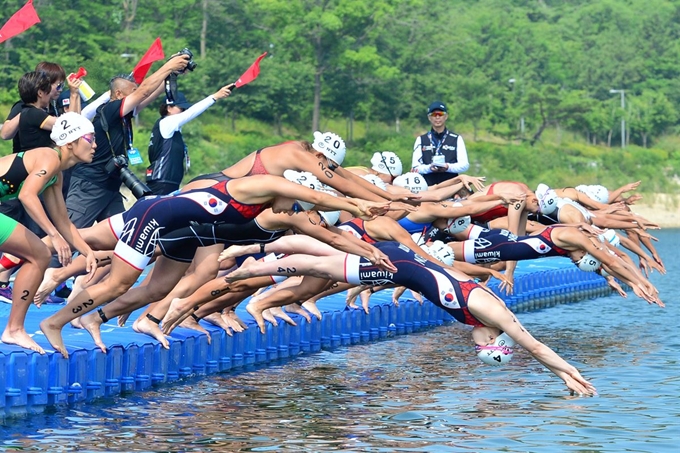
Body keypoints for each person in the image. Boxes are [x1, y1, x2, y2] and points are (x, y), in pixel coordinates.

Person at [39, 172, 393, 358]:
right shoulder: (263, 186)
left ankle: (91, 317)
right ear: (293, 190)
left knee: (158, 289)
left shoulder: (290, 213)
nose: (292, 211)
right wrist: (360, 205)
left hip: (186, 235)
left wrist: (369, 252)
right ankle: (55, 321)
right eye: (295, 203)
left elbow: (331, 236)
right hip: (157, 216)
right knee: (116, 280)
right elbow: (316, 196)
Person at [223, 240, 597, 395]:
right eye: (481, 348)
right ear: (491, 341)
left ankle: (257, 253)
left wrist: (565, 378)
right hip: (399, 264)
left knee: (322, 253)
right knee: (322, 266)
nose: (475, 345)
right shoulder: (491, 313)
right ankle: (251, 266)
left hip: (402, 264)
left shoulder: (481, 316)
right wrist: (573, 375)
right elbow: (535, 346)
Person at [0, 112, 98, 353]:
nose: (95, 145)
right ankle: (13, 329)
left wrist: (87, 252)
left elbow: (63, 221)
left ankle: (14, 328)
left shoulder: (56, 174)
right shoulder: (48, 157)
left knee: (40, 254)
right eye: (90, 138)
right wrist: (53, 235)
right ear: (70, 142)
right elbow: (26, 195)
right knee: (40, 254)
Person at [64, 54, 190, 230]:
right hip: (90, 186)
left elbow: (150, 94)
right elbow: (144, 91)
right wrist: (168, 66)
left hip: (110, 186)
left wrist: (173, 74)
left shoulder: (124, 114)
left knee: (121, 238)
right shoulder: (110, 109)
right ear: (118, 93)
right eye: (133, 92)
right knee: (68, 238)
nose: (136, 96)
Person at [146, 86, 233, 195]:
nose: (184, 111)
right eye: (181, 108)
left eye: (185, 109)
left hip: (166, 180)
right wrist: (214, 97)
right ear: (169, 108)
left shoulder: (169, 127)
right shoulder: (167, 122)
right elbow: (191, 113)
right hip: (162, 181)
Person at [411, 101, 469, 186]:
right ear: (429, 117)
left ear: (446, 116)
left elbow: (465, 165)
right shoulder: (421, 139)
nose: (437, 117)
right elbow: (415, 168)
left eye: (440, 114)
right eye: (434, 114)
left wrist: (448, 167)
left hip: (451, 187)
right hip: (428, 187)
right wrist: (429, 168)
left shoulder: (456, 138)